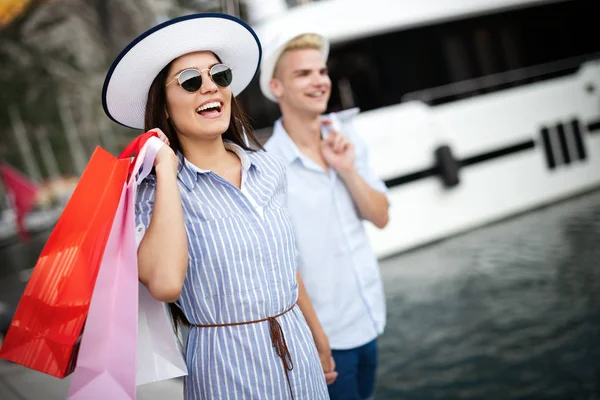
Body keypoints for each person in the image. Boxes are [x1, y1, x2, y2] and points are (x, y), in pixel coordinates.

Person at [102, 14, 334, 399]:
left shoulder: (267, 169)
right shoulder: (153, 192)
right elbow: (165, 283)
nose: (210, 88)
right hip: (226, 370)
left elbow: (284, 268)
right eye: (191, 82)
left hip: (300, 353)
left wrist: (318, 335)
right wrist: (165, 166)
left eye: (219, 75)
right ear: (163, 108)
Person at [260, 31, 390, 400]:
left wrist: (347, 169)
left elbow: (380, 217)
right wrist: (316, 340)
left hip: (370, 317)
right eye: (303, 74)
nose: (319, 81)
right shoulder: (268, 168)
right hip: (326, 338)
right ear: (276, 86)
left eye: (322, 72)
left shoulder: (346, 140)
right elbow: (283, 265)